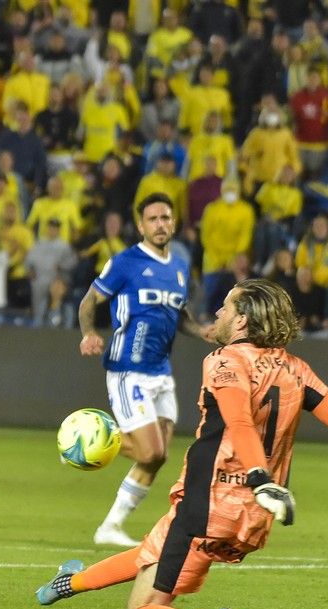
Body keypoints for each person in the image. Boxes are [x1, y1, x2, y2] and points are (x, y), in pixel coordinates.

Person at [37, 279, 328, 609]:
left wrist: (259, 477)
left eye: (226, 306)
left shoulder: (225, 361)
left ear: (241, 322)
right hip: (253, 519)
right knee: (155, 551)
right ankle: (68, 582)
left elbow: (238, 417)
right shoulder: (294, 369)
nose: (219, 312)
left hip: (209, 503)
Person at [77, 192, 213, 547]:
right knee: (150, 452)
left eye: (165, 218)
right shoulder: (126, 262)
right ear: (140, 225)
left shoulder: (180, 268)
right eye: (152, 219)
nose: (160, 224)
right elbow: (90, 300)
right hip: (128, 369)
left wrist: (200, 330)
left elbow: (179, 314)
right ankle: (83, 442)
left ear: (174, 222)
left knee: (158, 456)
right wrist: (89, 332)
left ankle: (111, 526)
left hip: (161, 373)